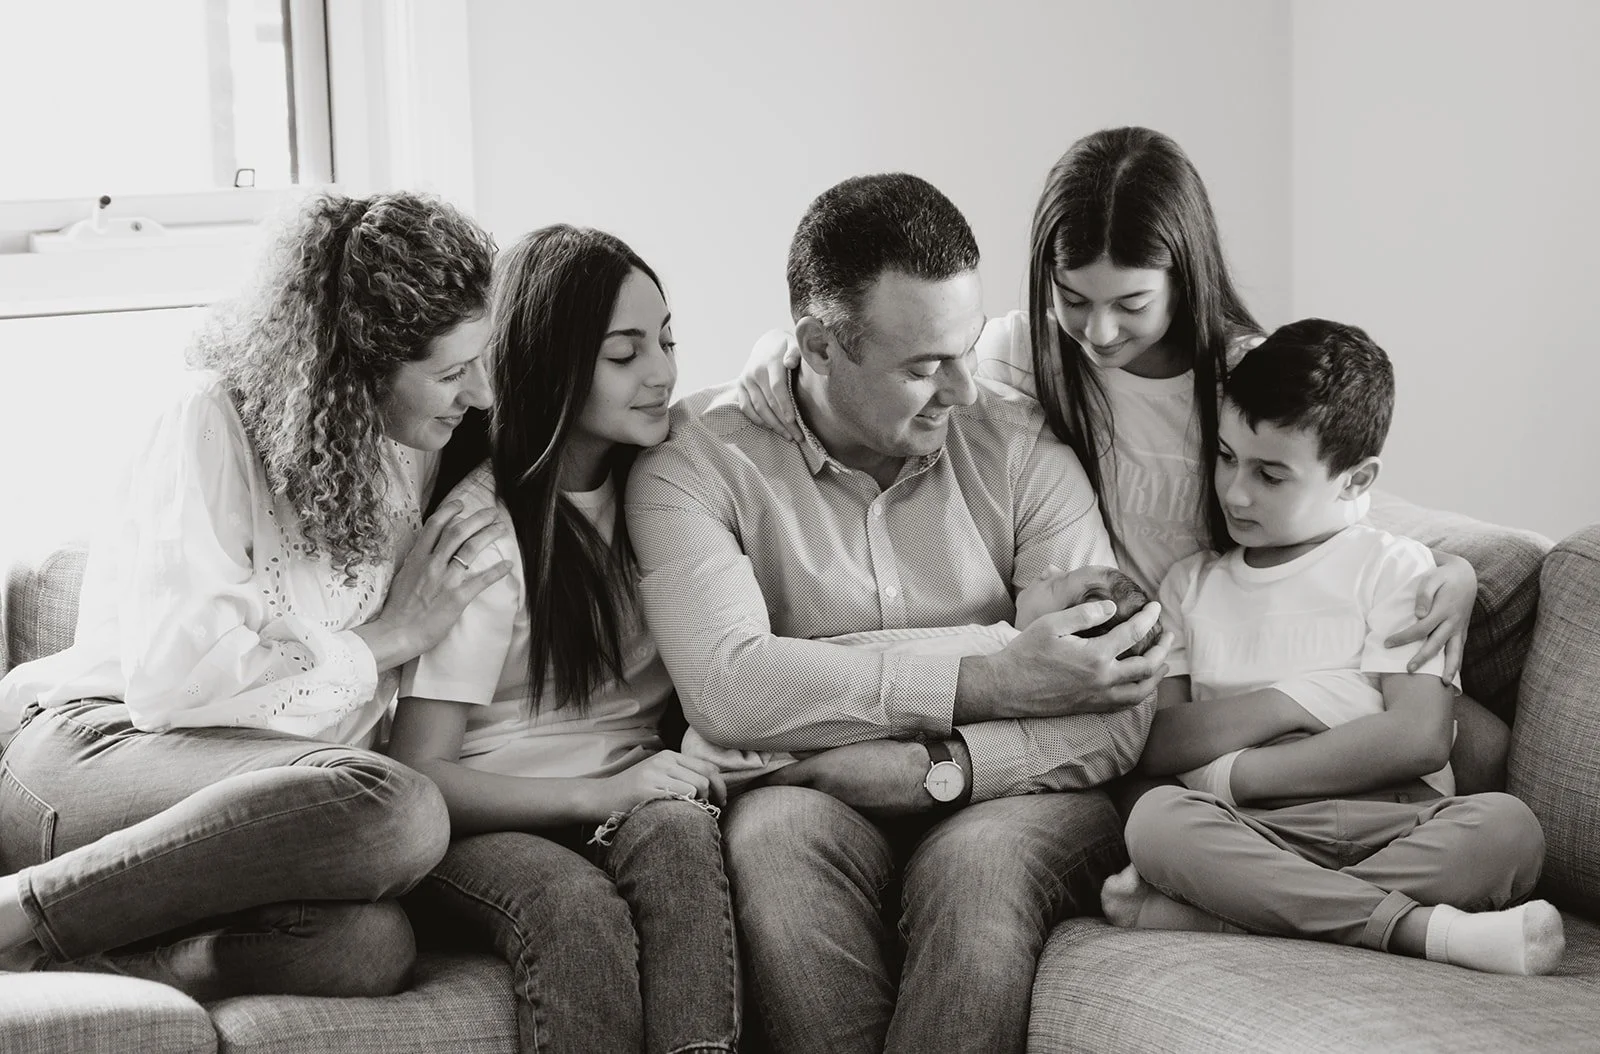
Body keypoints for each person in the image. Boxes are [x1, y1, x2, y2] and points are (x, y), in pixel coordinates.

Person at [733, 126, 1509, 793]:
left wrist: (1456, 572)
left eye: (1130, 304)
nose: (1098, 333)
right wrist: (779, 358)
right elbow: (870, 355)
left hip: (1238, 655)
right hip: (1126, 685)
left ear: (1186, 275)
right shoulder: (1022, 353)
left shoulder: (1243, 375)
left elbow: (1329, 496)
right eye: (1074, 297)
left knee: (1473, 751)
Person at [625, 173, 1169, 1054]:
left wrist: (935, 765)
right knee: (772, 839)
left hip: (1018, 794)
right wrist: (997, 671)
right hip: (809, 807)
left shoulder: (1019, 443)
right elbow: (730, 689)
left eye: (967, 347)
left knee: (977, 866)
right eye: (923, 366)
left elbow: (1121, 702)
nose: (963, 387)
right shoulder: (695, 466)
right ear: (821, 345)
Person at [0, 191, 508, 999]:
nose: (479, 393)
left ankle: (81, 951)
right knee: (400, 811)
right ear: (355, 367)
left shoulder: (412, 444)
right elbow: (177, 687)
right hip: (95, 748)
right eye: (451, 372)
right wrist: (392, 637)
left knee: (367, 945)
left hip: (264, 804)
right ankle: (22, 908)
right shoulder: (210, 423)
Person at [1102, 319, 1562, 976]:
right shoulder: (1190, 587)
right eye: (1227, 458)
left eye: (1271, 474)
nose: (1235, 491)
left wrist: (1236, 771)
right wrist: (1303, 698)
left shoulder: (1397, 569)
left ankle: (1236, 917)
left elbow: (1418, 740)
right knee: (1155, 821)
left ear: (1355, 478)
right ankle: (1414, 929)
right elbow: (1158, 740)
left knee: (1509, 830)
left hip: (1395, 817)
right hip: (1256, 833)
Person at [387, 225, 740, 1054]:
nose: (663, 372)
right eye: (625, 354)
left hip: (627, 794)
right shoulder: (481, 537)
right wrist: (599, 796)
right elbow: (419, 772)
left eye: (667, 341)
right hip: (484, 822)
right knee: (572, 905)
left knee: (682, 831)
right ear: (551, 363)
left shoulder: (670, 497)